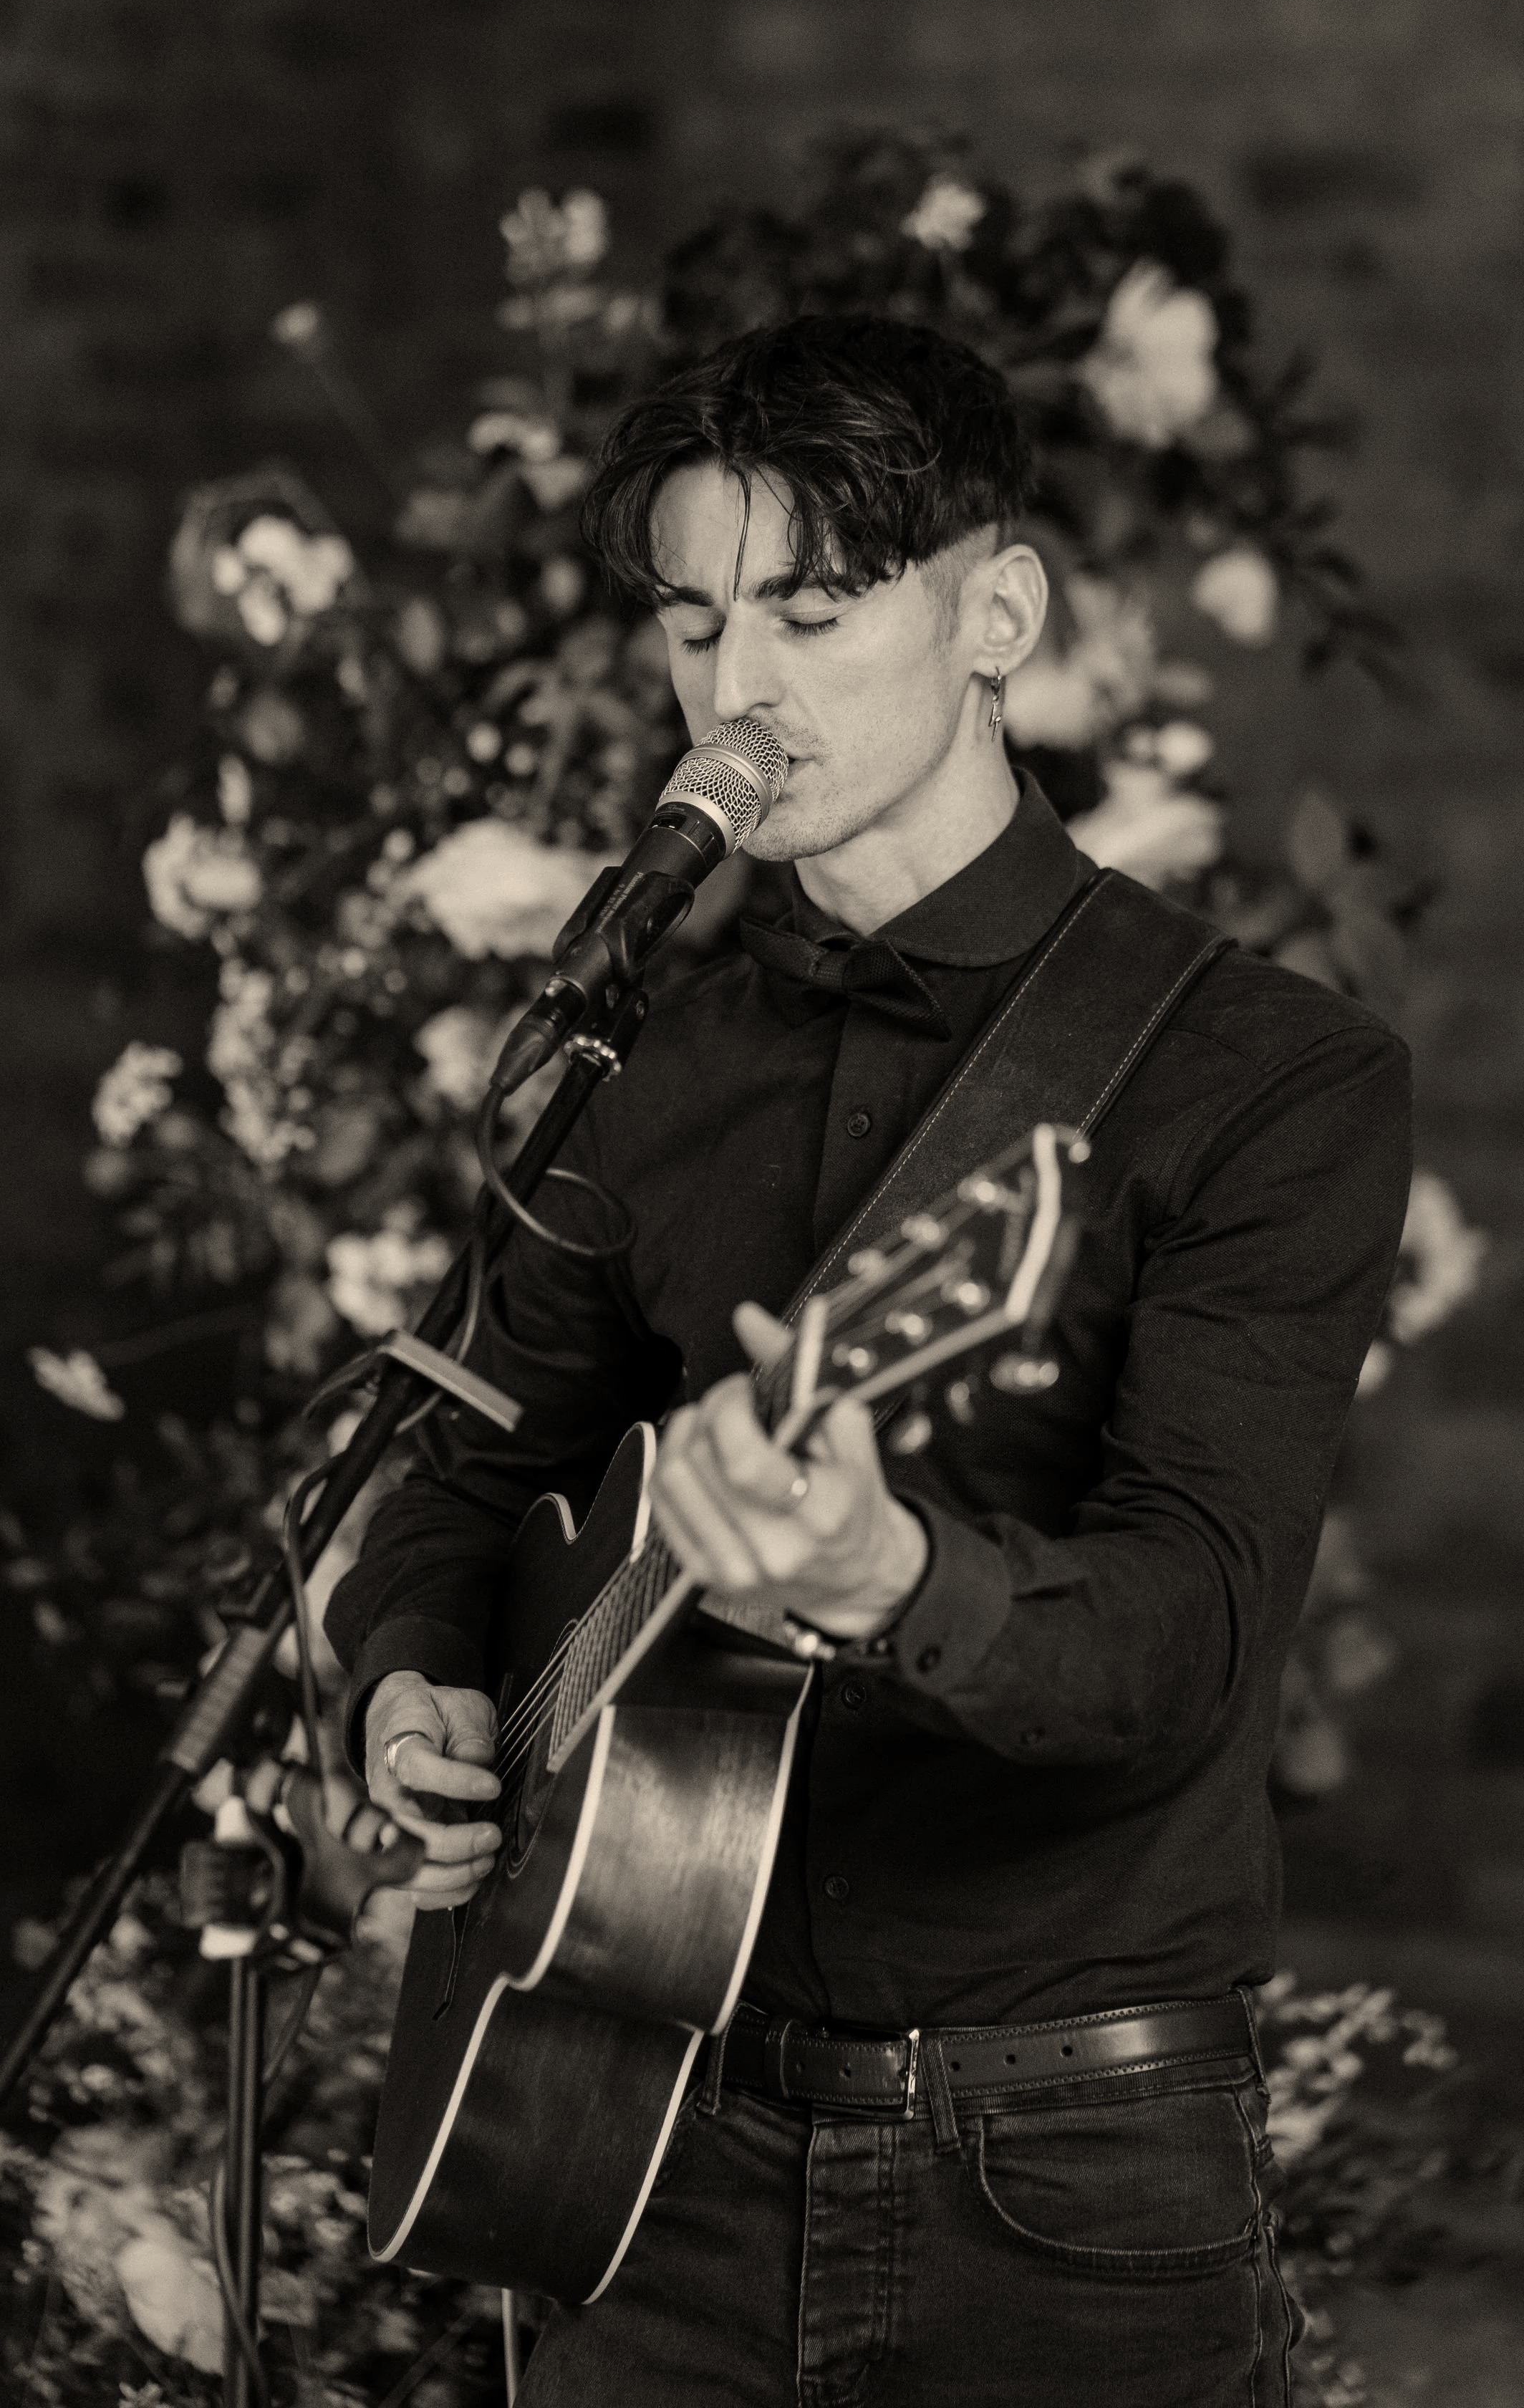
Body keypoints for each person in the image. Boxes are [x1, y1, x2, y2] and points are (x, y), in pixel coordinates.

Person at [323, 315, 1412, 2405]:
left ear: (997, 612)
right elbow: (463, 1463)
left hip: (1064, 2169)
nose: (742, 691)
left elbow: (1186, 1636)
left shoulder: (1261, 1080)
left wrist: (889, 1583)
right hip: (637, 2133)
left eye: (819, 613)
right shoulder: (639, 1057)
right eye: (699, 619)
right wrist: (413, 1686)